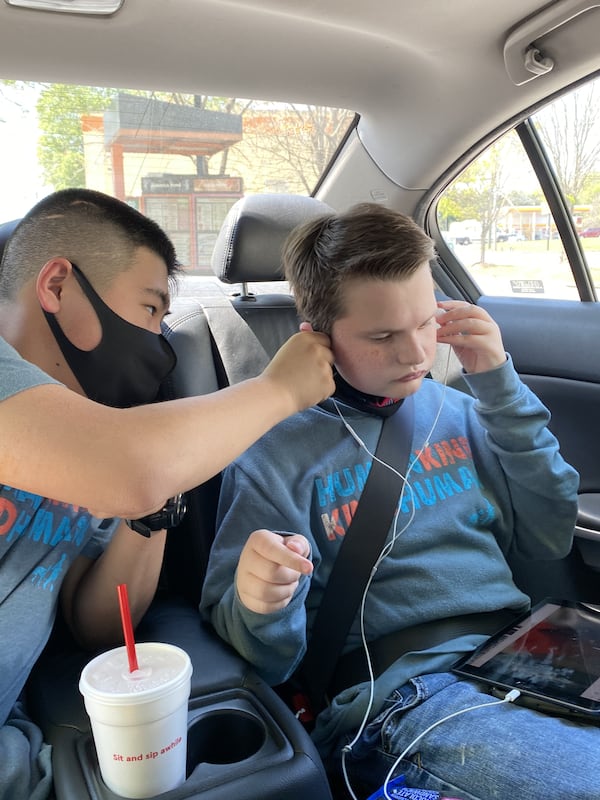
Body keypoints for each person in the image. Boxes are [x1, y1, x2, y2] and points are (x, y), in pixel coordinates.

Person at [200, 203, 600, 800]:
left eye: (424, 323)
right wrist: (262, 602)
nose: (415, 354)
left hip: (532, 650)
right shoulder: (273, 451)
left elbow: (547, 535)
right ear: (317, 335)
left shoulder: (463, 411)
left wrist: (500, 387)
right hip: (404, 696)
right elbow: (269, 660)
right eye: (383, 336)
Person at [0, 188, 334, 800]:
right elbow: (126, 466)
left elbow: (97, 622)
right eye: (151, 309)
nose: (159, 341)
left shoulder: (96, 436)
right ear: (56, 287)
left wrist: (150, 514)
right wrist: (278, 391)